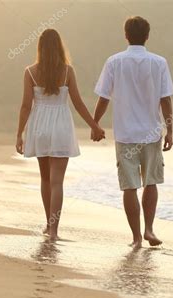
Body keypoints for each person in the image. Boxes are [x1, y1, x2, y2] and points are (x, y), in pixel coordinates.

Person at [93, 16, 173, 248]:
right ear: (147, 36)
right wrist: (169, 131)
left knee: (129, 186)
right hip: (151, 132)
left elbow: (104, 97)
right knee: (151, 182)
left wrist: (95, 124)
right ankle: (149, 228)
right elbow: (165, 99)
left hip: (126, 134)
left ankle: (136, 237)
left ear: (126, 35)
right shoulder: (159, 62)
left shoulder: (114, 62)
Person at [16, 29, 105, 240]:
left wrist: (19, 134)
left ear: (39, 48)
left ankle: (48, 225)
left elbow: (26, 106)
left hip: (39, 127)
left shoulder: (30, 72)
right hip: (61, 126)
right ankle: (54, 230)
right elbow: (78, 103)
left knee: (45, 179)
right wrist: (95, 126)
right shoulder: (67, 71)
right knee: (57, 182)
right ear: (59, 47)